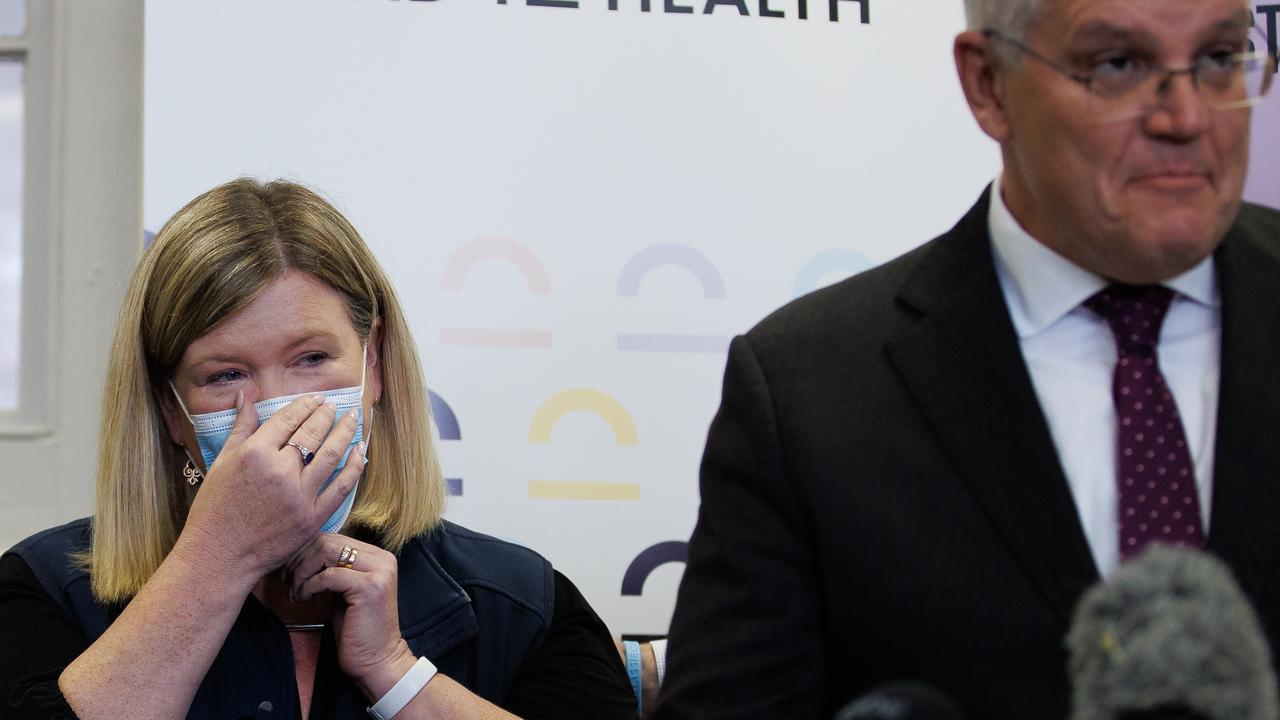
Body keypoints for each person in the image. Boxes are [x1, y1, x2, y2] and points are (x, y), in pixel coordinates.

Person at [654, 0, 1279, 717]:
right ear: (988, 84)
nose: (1187, 118)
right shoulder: (808, 394)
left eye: (1219, 59)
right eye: (1119, 65)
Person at [0, 179, 637, 719]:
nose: (281, 409)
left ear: (376, 363)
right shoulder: (49, 589)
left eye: (311, 359)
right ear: (172, 410)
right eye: (226, 375)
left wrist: (394, 674)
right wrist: (219, 558)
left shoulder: (516, 601)